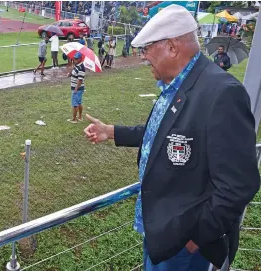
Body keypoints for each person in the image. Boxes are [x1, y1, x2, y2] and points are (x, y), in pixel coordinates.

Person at [84, 4, 260, 271]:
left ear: (172, 47)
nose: (143, 57)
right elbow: (162, 135)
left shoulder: (222, 93)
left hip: (184, 246)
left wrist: (193, 239)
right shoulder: (176, 85)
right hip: (161, 234)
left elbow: (239, 185)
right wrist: (111, 132)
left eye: (146, 49)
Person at [67, 52, 85, 124]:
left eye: (77, 58)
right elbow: (75, 73)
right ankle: (80, 117)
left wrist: (76, 90)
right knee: (79, 103)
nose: (75, 60)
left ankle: (74, 119)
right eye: (74, 58)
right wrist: (70, 73)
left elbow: (80, 80)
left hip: (77, 88)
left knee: (75, 104)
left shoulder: (81, 67)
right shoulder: (77, 65)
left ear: (80, 59)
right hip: (78, 88)